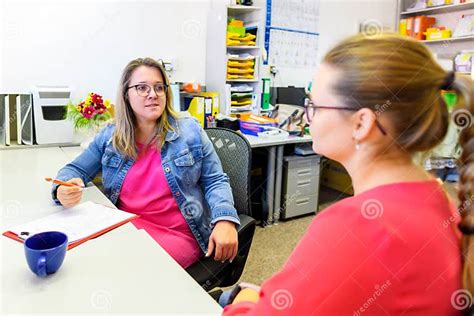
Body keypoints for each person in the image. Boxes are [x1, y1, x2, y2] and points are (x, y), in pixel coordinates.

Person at [221, 34, 473, 315]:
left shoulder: (359, 225)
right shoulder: (438, 197)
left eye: (314, 106)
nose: (307, 117)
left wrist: (246, 301)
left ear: (362, 123)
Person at [52, 57, 239, 269]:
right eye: (142, 88)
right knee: (82, 260)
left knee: (130, 270)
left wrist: (225, 219)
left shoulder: (190, 131)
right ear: (126, 95)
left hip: (178, 233)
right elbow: (74, 169)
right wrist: (62, 188)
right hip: (125, 226)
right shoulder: (110, 137)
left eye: (159, 87)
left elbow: (215, 180)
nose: (153, 94)